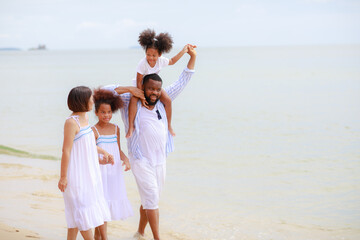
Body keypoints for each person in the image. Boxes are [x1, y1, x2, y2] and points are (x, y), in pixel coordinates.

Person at [103, 45, 197, 240]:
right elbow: (105, 91)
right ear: (142, 88)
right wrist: (131, 89)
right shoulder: (130, 101)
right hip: (140, 159)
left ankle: (140, 233)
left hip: (160, 160)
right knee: (152, 198)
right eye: (150, 89)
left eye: (157, 90)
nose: (154, 92)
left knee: (150, 199)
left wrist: (192, 57)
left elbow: (183, 80)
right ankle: (157, 238)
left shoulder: (162, 100)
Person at [58, 86, 114, 240]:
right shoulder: (71, 122)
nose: (93, 101)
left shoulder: (85, 118)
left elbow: (87, 145)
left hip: (89, 174)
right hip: (76, 176)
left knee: (76, 219)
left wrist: (103, 154)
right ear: (82, 101)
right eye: (91, 98)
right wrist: (63, 177)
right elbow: (66, 151)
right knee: (81, 212)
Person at [127, 28, 192, 138]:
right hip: (140, 86)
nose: (151, 58)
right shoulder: (142, 63)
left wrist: (184, 51)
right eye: (148, 54)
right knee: (133, 100)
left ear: (160, 54)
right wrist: (142, 97)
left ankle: (169, 125)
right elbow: (138, 81)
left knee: (167, 100)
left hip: (152, 86)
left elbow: (172, 61)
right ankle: (130, 127)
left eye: (154, 55)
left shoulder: (161, 60)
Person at [91, 88, 134, 240]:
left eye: (109, 112)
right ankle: (105, 238)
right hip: (101, 172)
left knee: (106, 206)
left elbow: (118, 149)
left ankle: (99, 237)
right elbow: (90, 154)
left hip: (114, 173)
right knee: (101, 205)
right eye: (103, 112)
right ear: (96, 112)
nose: (107, 115)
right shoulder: (93, 131)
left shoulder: (116, 128)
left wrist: (126, 159)